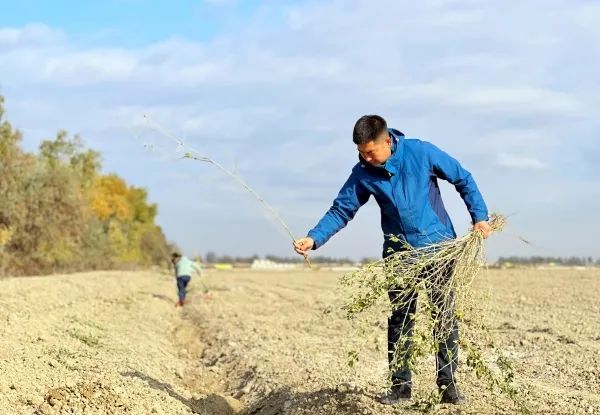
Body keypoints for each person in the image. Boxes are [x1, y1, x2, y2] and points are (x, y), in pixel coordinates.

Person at [293, 115, 491, 405]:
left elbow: (463, 178)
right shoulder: (362, 173)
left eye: (370, 152)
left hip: (439, 249)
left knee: (443, 317)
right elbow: (341, 210)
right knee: (400, 319)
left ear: (387, 141)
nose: (366, 158)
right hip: (399, 255)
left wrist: (480, 217)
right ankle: (400, 388)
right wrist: (314, 238)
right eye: (361, 153)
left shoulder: (420, 152)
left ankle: (448, 386)